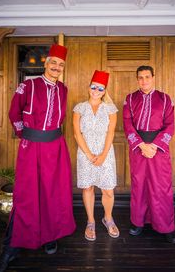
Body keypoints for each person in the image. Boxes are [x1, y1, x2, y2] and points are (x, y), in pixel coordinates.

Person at [0, 44, 76, 272]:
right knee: (26, 194)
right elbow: (13, 113)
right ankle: (11, 247)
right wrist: (25, 135)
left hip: (56, 147)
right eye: (54, 63)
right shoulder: (27, 85)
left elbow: (60, 119)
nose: (57, 67)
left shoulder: (64, 90)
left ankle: (50, 236)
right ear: (46, 64)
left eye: (61, 65)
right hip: (31, 146)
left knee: (52, 191)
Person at [123, 65, 175, 244]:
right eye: (140, 77)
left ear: (153, 77)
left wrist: (154, 145)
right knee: (139, 186)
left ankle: (166, 227)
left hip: (159, 149)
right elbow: (127, 124)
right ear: (137, 79)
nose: (144, 81)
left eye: (147, 77)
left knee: (161, 187)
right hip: (138, 149)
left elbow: (170, 125)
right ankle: (138, 222)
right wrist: (140, 145)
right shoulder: (130, 99)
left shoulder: (165, 99)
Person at [73, 70, 119, 241]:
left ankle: (108, 218)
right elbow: (77, 134)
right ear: (89, 88)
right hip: (85, 153)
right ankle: (91, 221)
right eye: (94, 87)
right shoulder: (79, 108)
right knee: (88, 188)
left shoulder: (110, 109)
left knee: (108, 190)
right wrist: (90, 155)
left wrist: (102, 155)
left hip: (105, 152)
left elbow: (111, 133)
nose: (96, 91)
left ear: (104, 91)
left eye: (100, 89)